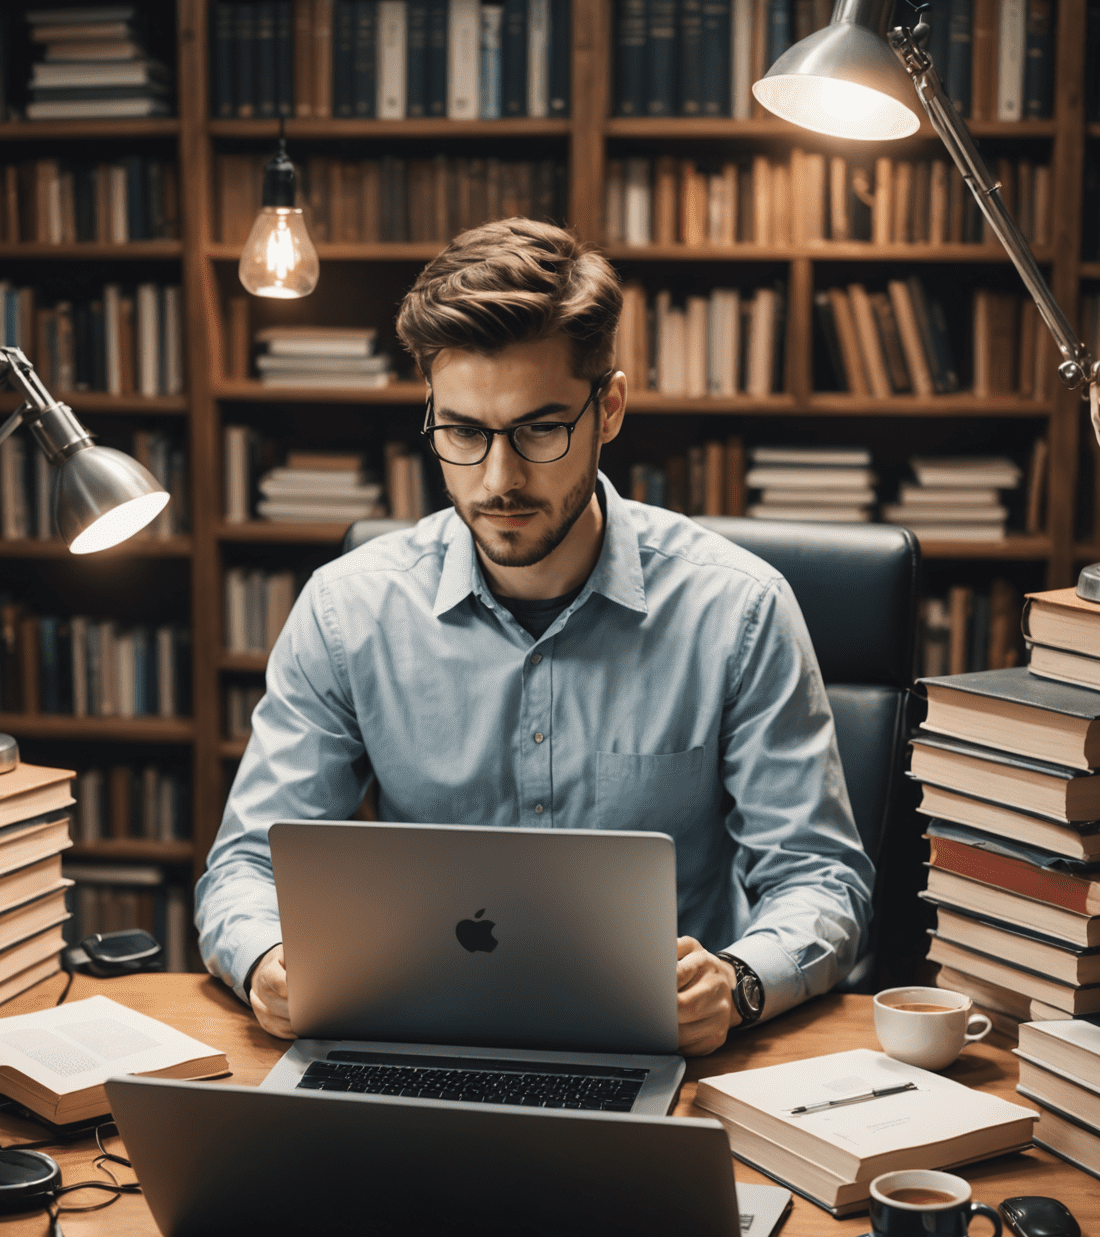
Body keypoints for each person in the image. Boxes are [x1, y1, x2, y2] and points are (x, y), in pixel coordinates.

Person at [196, 218, 873, 1056]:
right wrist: (266, 958)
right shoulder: (347, 613)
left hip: (667, 1057)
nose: (498, 480)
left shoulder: (738, 611)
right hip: (415, 1044)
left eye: (540, 430)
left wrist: (736, 983)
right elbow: (243, 871)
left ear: (609, 409)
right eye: (463, 432)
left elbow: (820, 879)